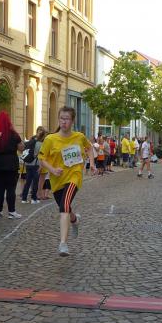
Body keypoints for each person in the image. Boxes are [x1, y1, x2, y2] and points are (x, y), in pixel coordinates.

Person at [38, 106, 97, 256]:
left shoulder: (79, 137)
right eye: (61, 118)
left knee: (64, 206)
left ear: (72, 121)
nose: (64, 122)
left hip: (74, 176)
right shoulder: (50, 139)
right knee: (65, 207)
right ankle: (75, 220)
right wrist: (52, 170)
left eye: (67, 119)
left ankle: (63, 244)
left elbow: (89, 148)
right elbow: (42, 159)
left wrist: (92, 164)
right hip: (57, 180)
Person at [0, 111, 24, 219]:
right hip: (11, 164)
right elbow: (21, 148)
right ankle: (11, 211)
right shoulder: (13, 134)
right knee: (11, 189)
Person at [21, 126, 46, 204]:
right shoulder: (40, 144)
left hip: (28, 164)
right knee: (35, 182)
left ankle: (24, 199)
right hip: (36, 164)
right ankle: (33, 199)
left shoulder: (31, 141)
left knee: (28, 182)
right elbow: (41, 156)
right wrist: (41, 166)